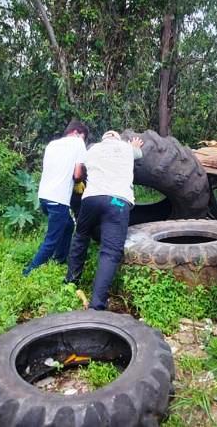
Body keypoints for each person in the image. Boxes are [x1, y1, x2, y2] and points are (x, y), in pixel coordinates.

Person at [65, 130, 144, 310]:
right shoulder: (127, 148)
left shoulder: (92, 150)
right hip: (117, 201)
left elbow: (81, 170)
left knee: (80, 238)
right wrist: (134, 146)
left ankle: (70, 282)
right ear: (118, 139)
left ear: (103, 139)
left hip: (91, 199)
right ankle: (97, 304)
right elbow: (139, 154)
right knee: (110, 252)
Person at [22, 120, 89, 276]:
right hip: (58, 200)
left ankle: (59, 259)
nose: (83, 141)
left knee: (68, 225)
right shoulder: (78, 143)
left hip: (44, 197)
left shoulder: (52, 144)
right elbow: (77, 174)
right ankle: (28, 272)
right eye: (83, 137)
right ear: (76, 133)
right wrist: (80, 181)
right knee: (51, 240)